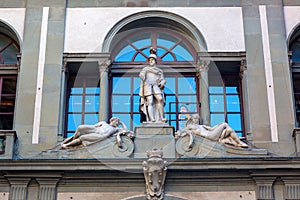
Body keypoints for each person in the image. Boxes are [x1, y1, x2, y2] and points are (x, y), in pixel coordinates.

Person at [176, 114, 248, 148]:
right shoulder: (190, 126)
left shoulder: (201, 126)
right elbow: (182, 131)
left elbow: (212, 128)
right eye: (195, 118)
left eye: (197, 118)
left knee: (229, 130)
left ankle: (238, 142)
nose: (196, 120)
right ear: (192, 119)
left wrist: (219, 125)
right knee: (224, 124)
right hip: (209, 136)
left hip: (212, 133)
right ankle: (238, 141)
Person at [61, 117, 130, 149]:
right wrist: (87, 130)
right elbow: (94, 126)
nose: (117, 123)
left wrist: (122, 123)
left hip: (101, 136)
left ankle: (67, 145)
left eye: (118, 122)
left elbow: (125, 130)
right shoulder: (104, 123)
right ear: (112, 121)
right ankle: (71, 139)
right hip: (96, 130)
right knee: (80, 127)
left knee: (82, 138)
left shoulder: (116, 129)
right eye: (116, 121)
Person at [139, 48, 166, 122]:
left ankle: (161, 117)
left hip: (156, 85)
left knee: (160, 99)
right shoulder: (145, 69)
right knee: (150, 101)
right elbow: (142, 75)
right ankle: (152, 119)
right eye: (149, 60)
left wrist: (163, 82)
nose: (151, 61)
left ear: (155, 61)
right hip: (147, 85)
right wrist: (142, 75)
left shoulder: (159, 71)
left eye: (152, 60)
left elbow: (162, 79)